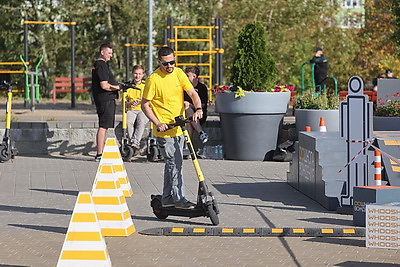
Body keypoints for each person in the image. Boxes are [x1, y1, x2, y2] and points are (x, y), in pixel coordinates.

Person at [141, 47, 203, 209]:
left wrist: (198, 109)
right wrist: (157, 122)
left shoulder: (179, 73)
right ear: (159, 62)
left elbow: (193, 93)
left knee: (174, 163)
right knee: (175, 163)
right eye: (165, 63)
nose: (169, 66)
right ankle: (179, 198)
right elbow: (145, 105)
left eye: (172, 62)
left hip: (179, 128)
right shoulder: (153, 79)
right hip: (164, 130)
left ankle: (168, 197)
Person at [91, 43, 121, 161]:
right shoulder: (101, 65)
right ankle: (99, 153)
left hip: (103, 99)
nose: (111, 56)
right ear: (102, 52)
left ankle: (100, 152)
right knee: (103, 126)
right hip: (105, 99)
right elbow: (104, 85)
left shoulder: (98, 65)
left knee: (104, 126)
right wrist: (118, 87)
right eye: (109, 53)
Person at [126, 65, 149, 155]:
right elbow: (124, 101)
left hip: (143, 109)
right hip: (131, 109)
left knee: (141, 120)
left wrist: (142, 101)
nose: (137, 76)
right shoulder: (128, 86)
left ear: (143, 75)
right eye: (135, 73)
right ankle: (133, 142)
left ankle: (135, 142)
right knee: (128, 121)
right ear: (132, 74)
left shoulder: (146, 86)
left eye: (139, 74)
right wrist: (129, 103)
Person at [184, 66, 208, 144]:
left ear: (194, 76)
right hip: (186, 114)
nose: (185, 78)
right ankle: (201, 132)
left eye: (187, 76)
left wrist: (190, 105)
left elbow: (202, 105)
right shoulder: (184, 87)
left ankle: (188, 147)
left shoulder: (202, 88)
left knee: (188, 113)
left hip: (199, 114)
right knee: (188, 120)